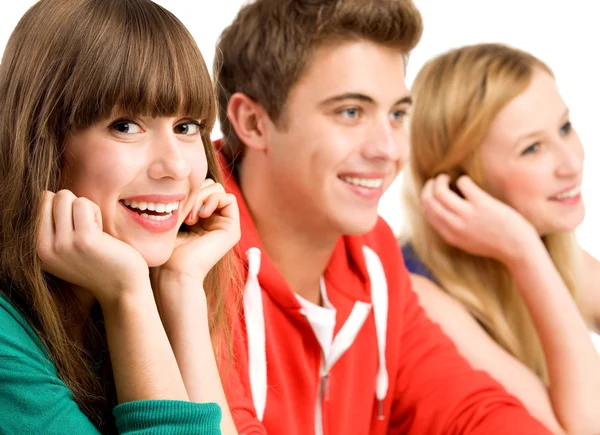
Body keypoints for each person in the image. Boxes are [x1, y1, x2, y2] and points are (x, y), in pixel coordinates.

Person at [213, 0, 553, 433]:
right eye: (350, 112)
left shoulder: (374, 255)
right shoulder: (196, 259)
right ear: (253, 122)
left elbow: (469, 408)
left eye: (396, 114)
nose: (388, 150)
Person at [0, 0, 240, 433]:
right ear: (42, 141)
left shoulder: (139, 298)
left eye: (187, 126)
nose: (176, 168)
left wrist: (181, 287)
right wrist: (127, 294)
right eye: (126, 126)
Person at [401, 43, 600, 434]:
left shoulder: (548, 241)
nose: (572, 163)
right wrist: (525, 254)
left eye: (564, 127)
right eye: (532, 148)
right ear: (464, 183)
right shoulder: (418, 293)